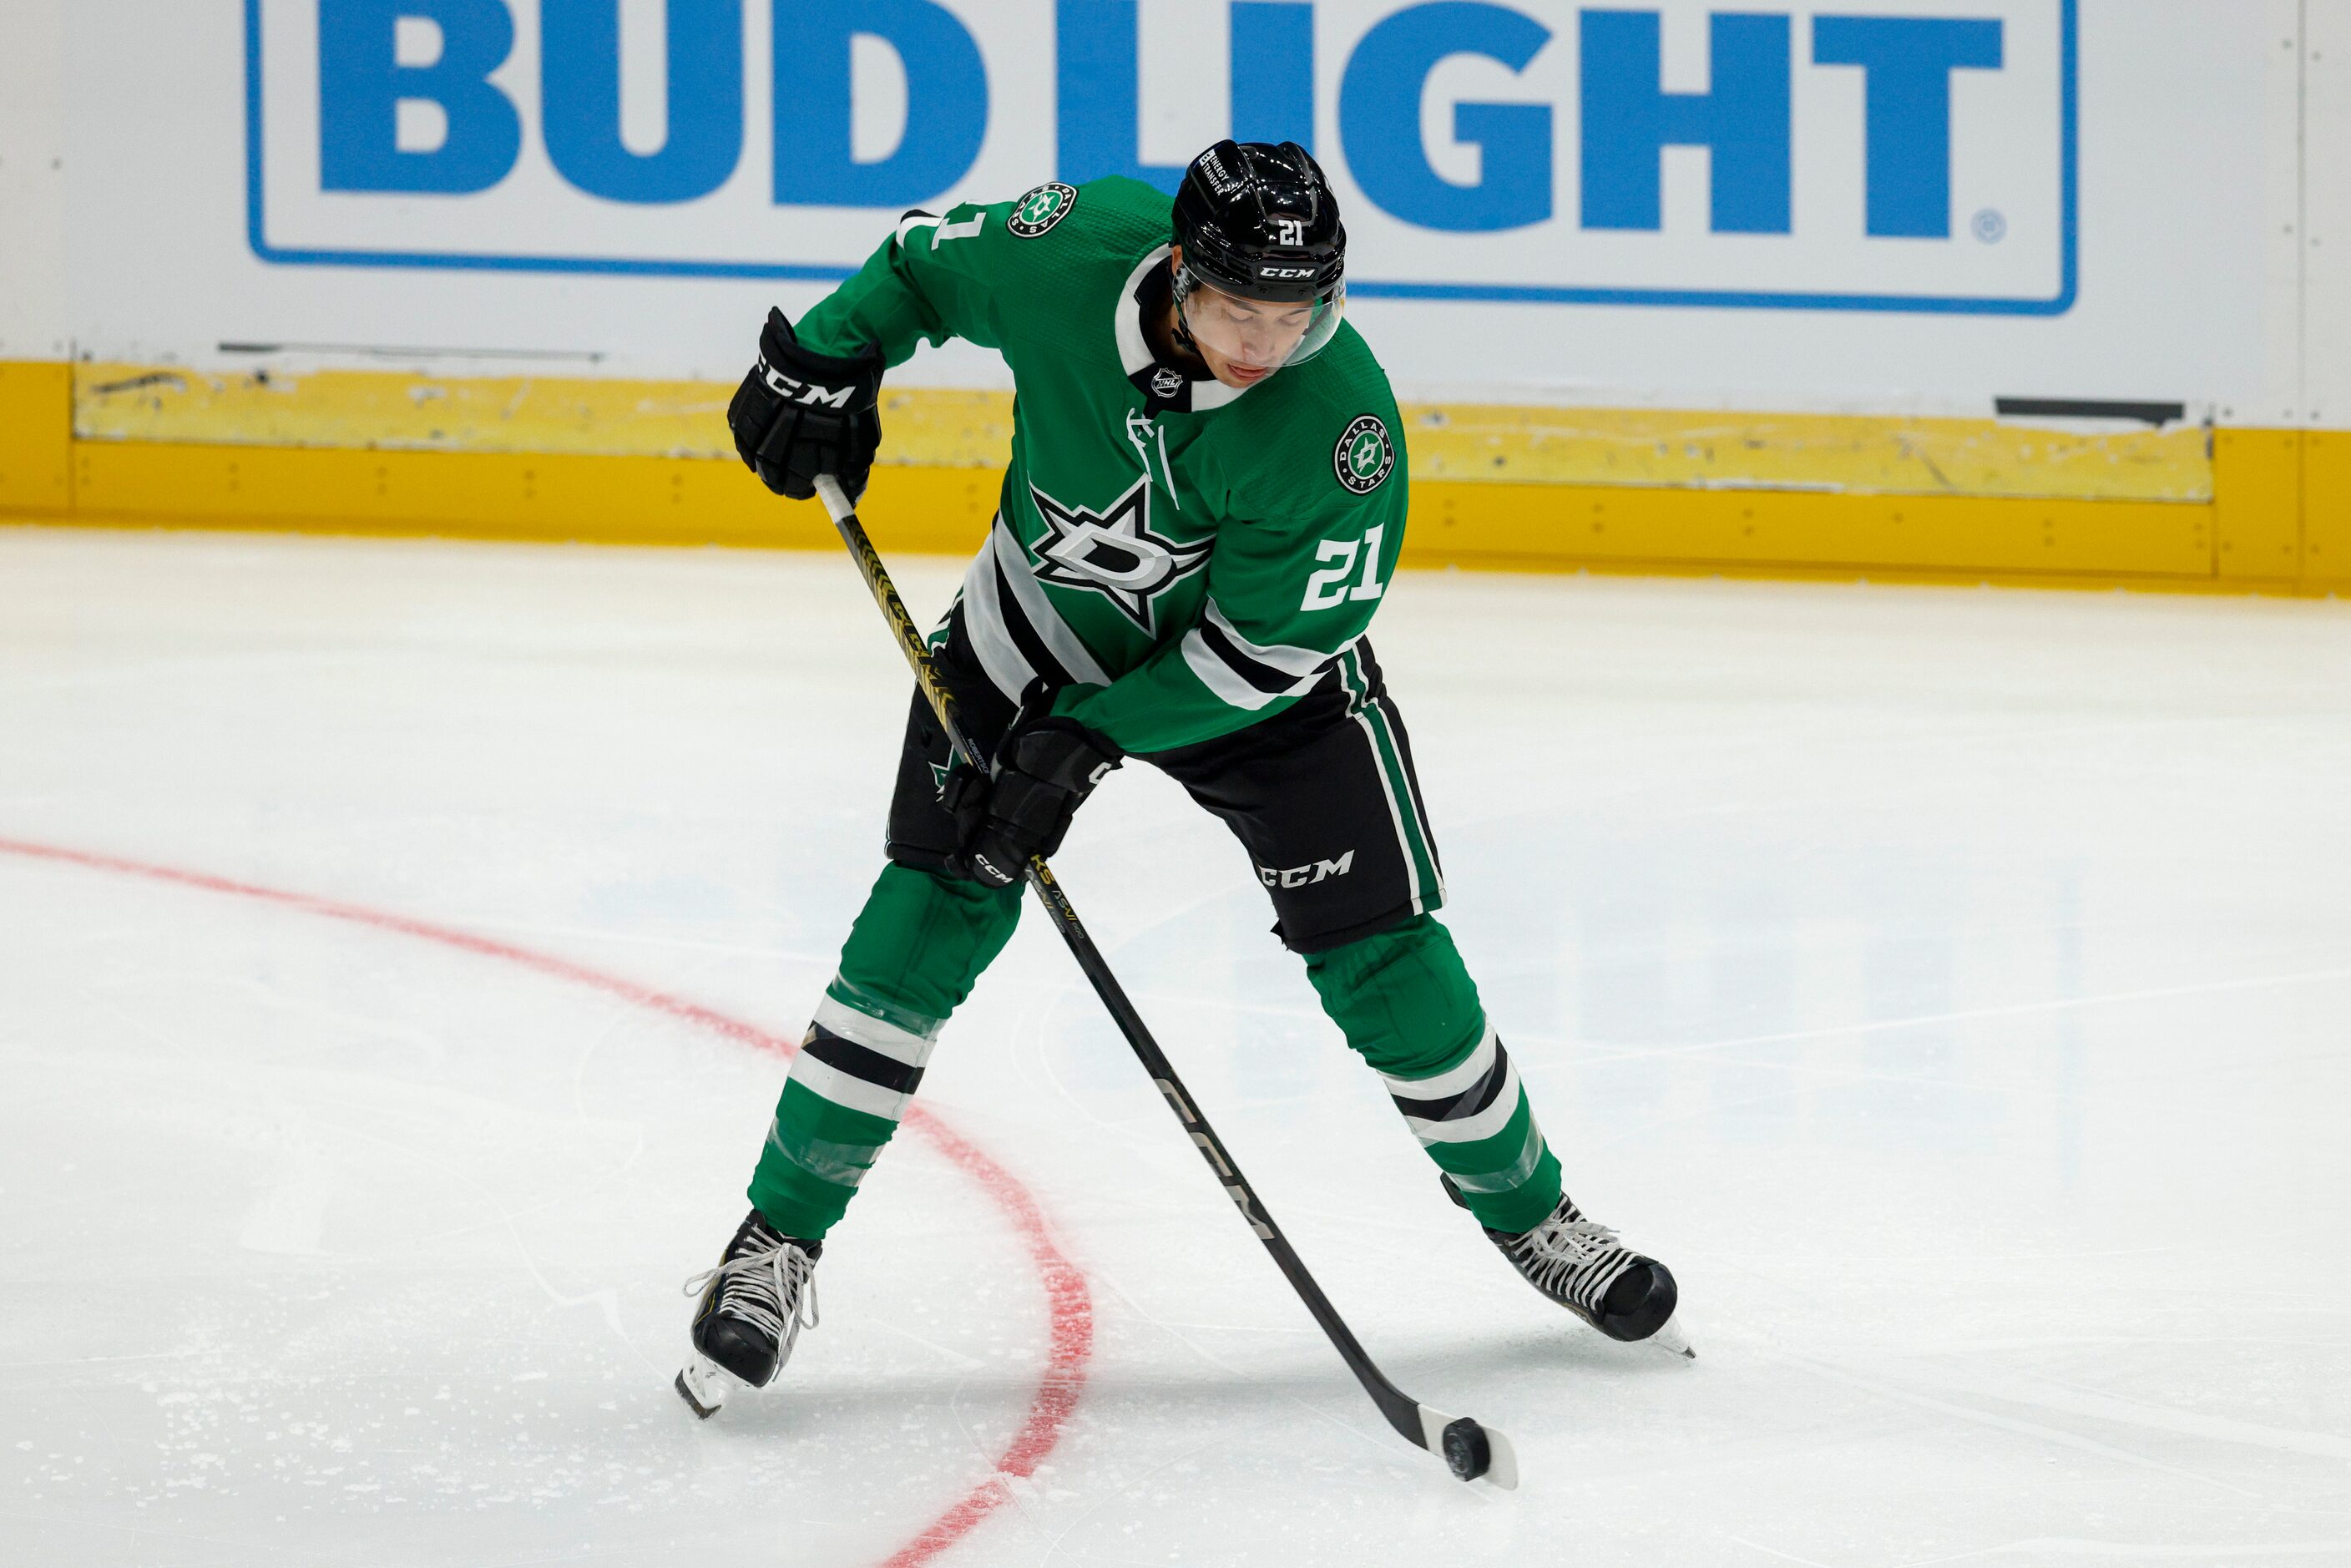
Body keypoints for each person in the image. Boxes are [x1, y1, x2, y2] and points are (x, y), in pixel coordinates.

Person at [676, 142, 1685, 1419]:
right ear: (1177, 274)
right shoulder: (1067, 250)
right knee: (922, 918)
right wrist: (824, 353)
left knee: (1383, 954)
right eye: (1236, 310)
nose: (1268, 342)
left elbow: (1264, 649)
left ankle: (1538, 1217)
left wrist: (1090, 736)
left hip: (1256, 686)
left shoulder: (1343, 432)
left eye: (1297, 312)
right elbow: (923, 260)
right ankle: (776, 1241)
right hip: (1034, 632)